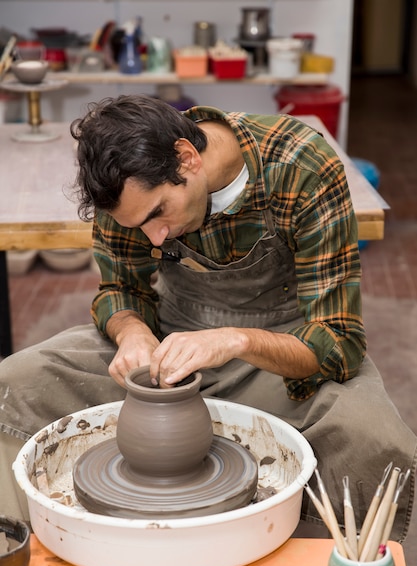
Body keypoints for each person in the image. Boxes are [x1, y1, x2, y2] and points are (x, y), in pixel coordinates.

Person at [0, 95, 415, 540]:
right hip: (168, 344)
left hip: (282, 349)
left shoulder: (301, 165)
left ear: (187, 157)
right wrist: (133, 332)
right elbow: (120, 290)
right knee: (17, 381)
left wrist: (237, 340)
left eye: (159, 213)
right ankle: (24, 555)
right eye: (139, 225)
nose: (155, 235)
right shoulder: (126, 183)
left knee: (373, 438)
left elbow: (338, 340)